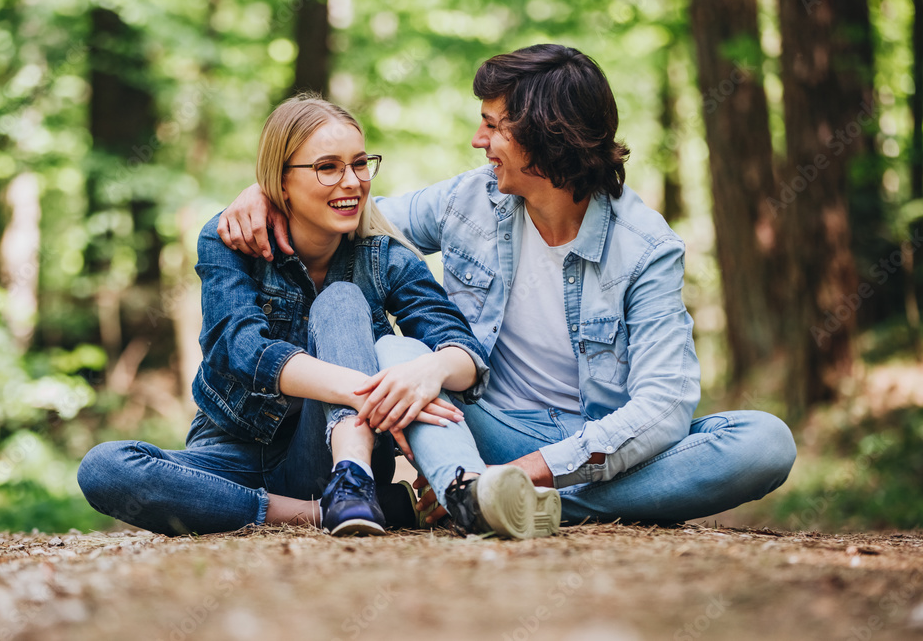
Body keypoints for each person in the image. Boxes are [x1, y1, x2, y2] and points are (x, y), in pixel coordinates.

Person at [218, 44, 798, 527]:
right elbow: (352, 213)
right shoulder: (471, 200)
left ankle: (492, 500)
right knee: (400, 351)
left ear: (547, 138)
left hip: (597, 445)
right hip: (480, 429)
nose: (478, 140)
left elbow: (665, 406)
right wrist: (266, 193)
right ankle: (478, 491)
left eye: (493, 126)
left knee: (765, 442)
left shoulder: (644, 247)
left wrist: (531, 472)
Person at [77, 95, 558, 538]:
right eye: (327, 168)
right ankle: (331, 511)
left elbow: (463, 349)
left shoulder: (385, 257)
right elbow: (240, 351)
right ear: (280, 181)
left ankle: (351, 481)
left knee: (342, 299)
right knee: (105, 467)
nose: (351, 182)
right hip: (233, 450)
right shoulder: (230, 243)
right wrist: (369, 391)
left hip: (334, 455)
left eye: (359, 164)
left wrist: (423, 374)